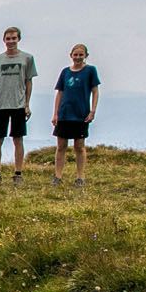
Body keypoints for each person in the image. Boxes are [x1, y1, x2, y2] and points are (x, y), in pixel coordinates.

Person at [0, 26, 37, 183]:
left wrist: (27, 104)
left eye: (14, 38)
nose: (11, 41)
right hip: (1, 104)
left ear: (18, 39)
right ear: (4, 40)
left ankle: (18, 172)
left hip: (18, 104)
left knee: (18, 139)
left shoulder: (27, 58)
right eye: (8, 38)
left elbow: (29, 82)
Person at [51, 44, 100, 187]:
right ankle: (58, 176)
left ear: (86, 55)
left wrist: (92, 111)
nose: (78, 57)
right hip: (64, 114)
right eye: (75, 55)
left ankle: (80, 177)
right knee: (61, 146)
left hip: (81, 114)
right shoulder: (65, 72)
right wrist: (55, 113)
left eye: (81, 55)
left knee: (79, 146)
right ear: (71, 55)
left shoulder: (90, 71)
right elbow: (60, 92)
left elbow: (95, 91)